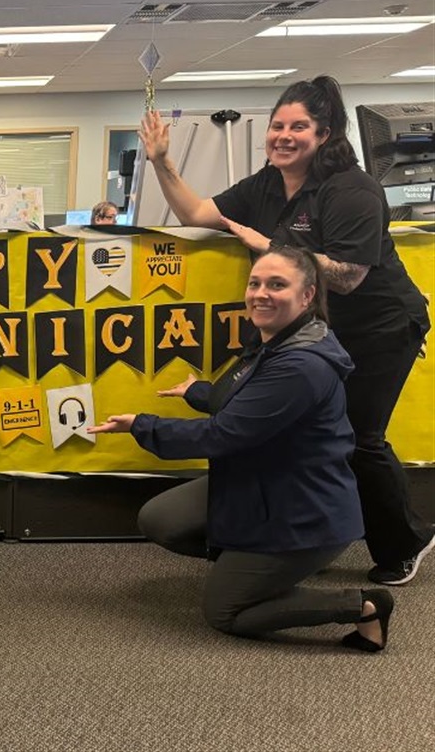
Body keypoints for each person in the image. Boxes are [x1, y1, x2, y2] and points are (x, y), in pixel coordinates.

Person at [138, 75, 433, 585]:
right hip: (313, 327)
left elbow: (348, 276)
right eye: (277, 125)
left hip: (378, 326)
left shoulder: (352, 189)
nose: (283, 136)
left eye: (299, 127)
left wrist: (271, 247)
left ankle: (405, 541)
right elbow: (196, 213)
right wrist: (161, 161)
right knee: (295, 432)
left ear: (324, 134)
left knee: (358, 438)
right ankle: (302, 538)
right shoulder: (267, 183)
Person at [89, 246, 393, 651]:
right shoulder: (276, 340)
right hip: (260, 485)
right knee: (162, 519)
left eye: (277, 285)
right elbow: (245, 400)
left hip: (302, 509)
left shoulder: (301, 365)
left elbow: (222, 435)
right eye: (255, 283)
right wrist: (198, 392)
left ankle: (363, 606)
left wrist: (142, 426)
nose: (260, 293)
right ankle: (259, 568)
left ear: (307, 295)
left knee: (224, 612)